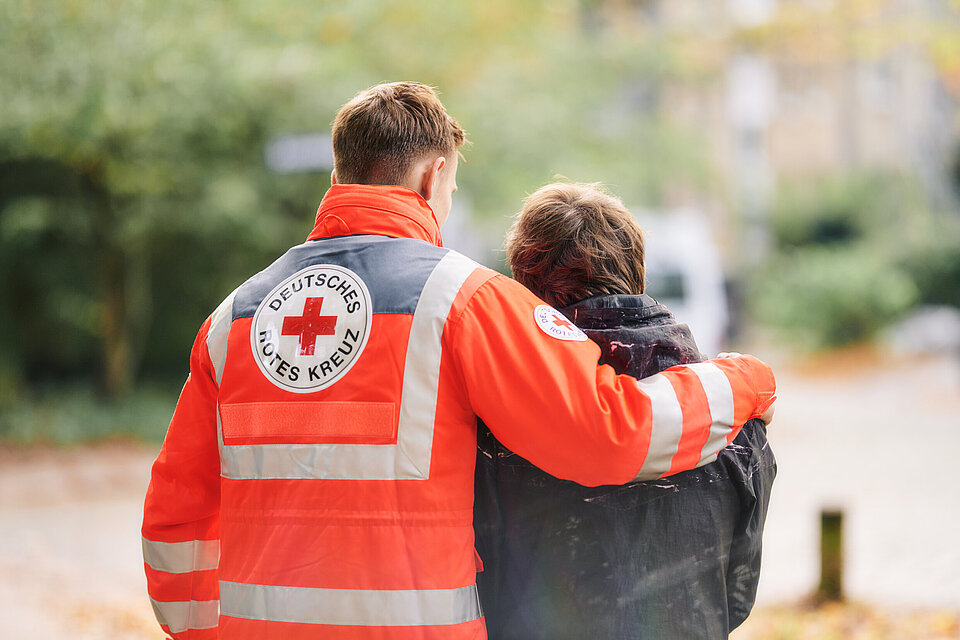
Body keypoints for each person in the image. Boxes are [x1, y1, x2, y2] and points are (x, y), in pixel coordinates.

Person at [141, 83, 776, 640]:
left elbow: (177, 514)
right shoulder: (460, 300)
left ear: (339, 177)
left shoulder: (233, 319)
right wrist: (744, 378)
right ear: (431, 177)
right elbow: (608, 431)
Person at [474, 182, 777, 640]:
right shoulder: (735, 413)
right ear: (636, 270)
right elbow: (736, 595)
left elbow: (482, 581)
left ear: (524, 283)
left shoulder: (497, 418)